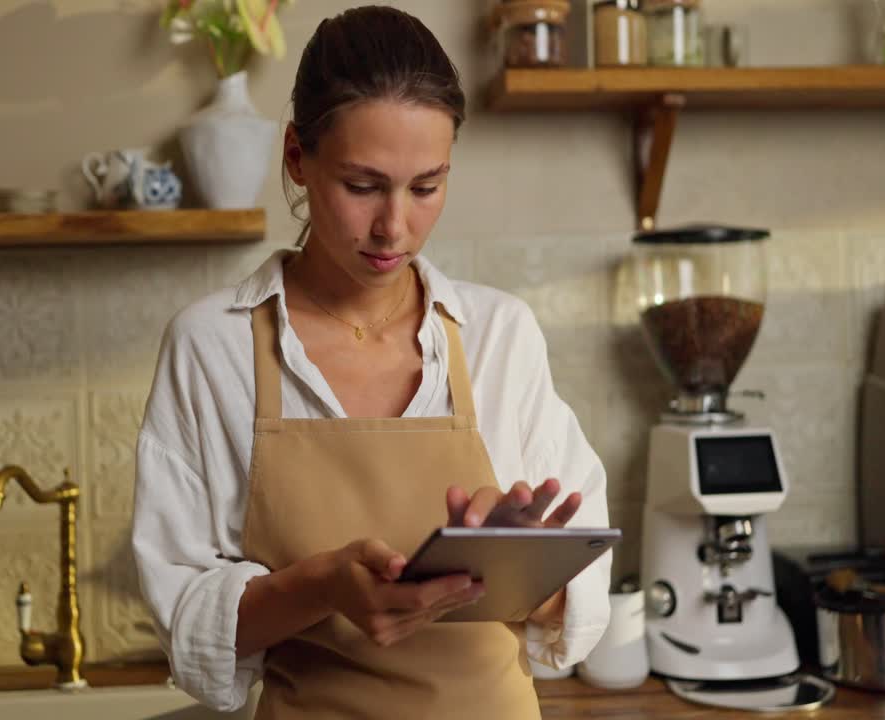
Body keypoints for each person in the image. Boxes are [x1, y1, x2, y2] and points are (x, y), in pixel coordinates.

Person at [133, 6, 611, 718]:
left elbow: (571, 613)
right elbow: (192, 628)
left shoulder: (499, 334)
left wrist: (515, 562)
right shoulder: (213, 347)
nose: (395, 226)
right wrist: (324, 585)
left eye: (427, 186)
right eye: (362, 186)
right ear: (297, 157)